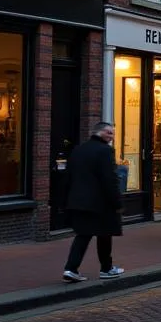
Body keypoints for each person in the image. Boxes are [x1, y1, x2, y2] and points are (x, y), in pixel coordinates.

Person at [61, 121, 125, 282]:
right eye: (109, 133)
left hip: (79, 201)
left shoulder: (78, 149)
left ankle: (70, 269)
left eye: (112, 133)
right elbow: (110, 179)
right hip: (100, 202)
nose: (111, 136)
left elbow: (68, 176)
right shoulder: (105, 151)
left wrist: (65, 199)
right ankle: (106, 268)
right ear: (99, 133)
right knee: (104, 234)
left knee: (83, 234)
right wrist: (117, 202)